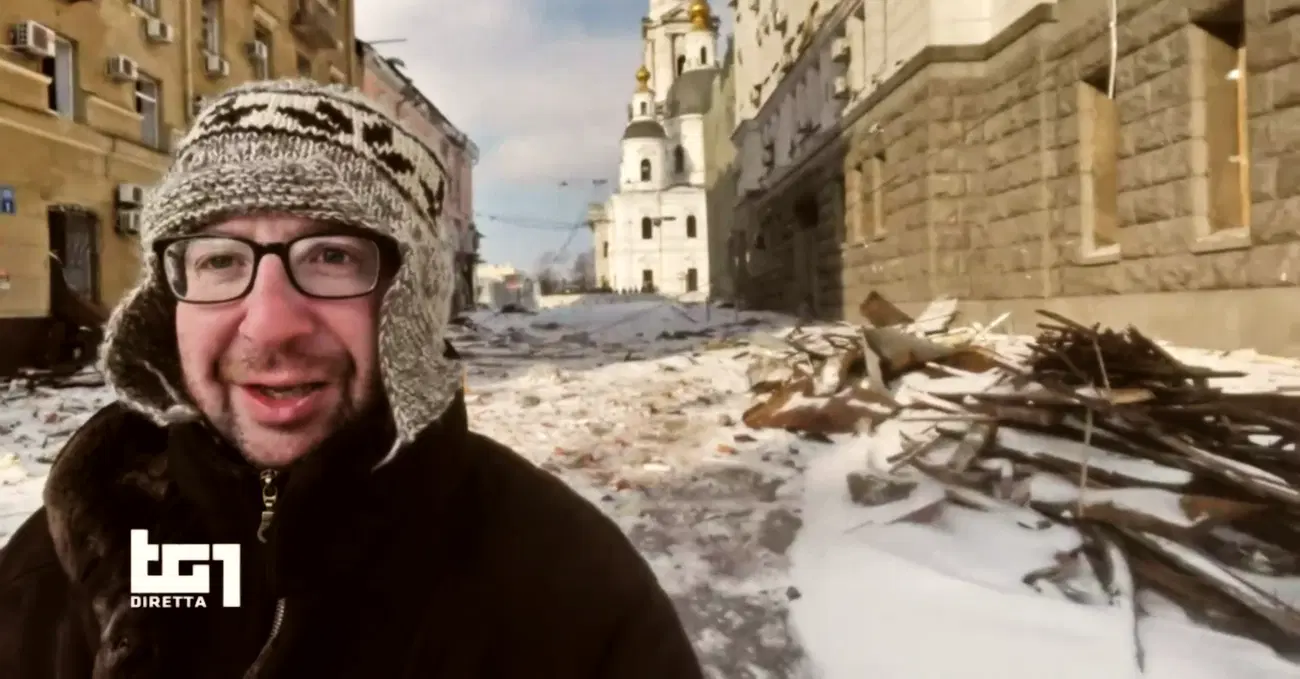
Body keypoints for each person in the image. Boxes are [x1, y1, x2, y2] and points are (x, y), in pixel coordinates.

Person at [0, 80, 702, 678]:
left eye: (332, 255)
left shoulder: (567, 593)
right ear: (168, 302)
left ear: (412, 301)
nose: (270, 325)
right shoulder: (68, 563)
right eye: (218, 260)